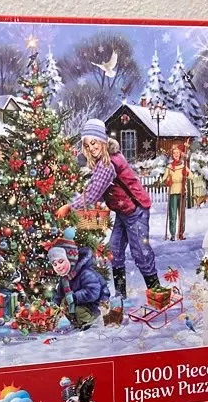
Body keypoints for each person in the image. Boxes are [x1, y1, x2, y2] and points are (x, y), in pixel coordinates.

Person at [57, 118, 162, 300]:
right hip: (123, 212)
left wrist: (70, 206)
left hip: (135, 211)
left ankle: (156, 292)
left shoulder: (108, 164)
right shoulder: (102, 162)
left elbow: (93, 193)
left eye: (94, 142)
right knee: (115, 250)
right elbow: (100, 189)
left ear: (102, 140)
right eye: (87, 145)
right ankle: (120, 294)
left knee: (140, 252)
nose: (91, 148)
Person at [47, 235, 109, 330]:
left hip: (95, 304)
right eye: (54, 264)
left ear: (70, 260)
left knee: (78, 309)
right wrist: (55, 306)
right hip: (79, 303)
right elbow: (60, 295)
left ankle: (90, 322)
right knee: (66, 307)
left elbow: (93, 292)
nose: (58, 266)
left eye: (61, 261)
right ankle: (78, 322)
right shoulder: (64, 278)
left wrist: (74, 297)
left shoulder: (85, 273)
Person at [163, 144, 190, 240]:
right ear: (172, 154)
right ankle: (173, 234)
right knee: (173, 213)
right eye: (174, 153)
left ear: (180, 154)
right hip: (173, 192)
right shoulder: (169, 167)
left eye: (178, 153)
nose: (176, 154)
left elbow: (191, 176)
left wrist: (186, 173)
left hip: (182, 191)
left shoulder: (183, 166)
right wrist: (167, 181)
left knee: (181, 214)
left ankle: (181, 233)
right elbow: (164, 178)